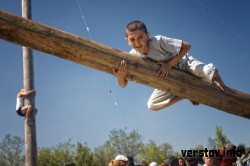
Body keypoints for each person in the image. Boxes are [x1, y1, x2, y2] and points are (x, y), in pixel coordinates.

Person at [113, 20, 225, 110]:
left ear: (147, 35)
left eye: (140, 37)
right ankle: (186, 95)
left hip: (184, 63)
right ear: (127, 41)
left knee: (211, 72)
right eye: (132, 39)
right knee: (152, 105)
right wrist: (120, 77)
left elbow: (187, 46)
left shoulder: (158, 41)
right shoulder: (133, 56)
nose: (137, 43)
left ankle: (218, 80)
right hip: (168, 76)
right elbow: (122, 85)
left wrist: (168, 65)